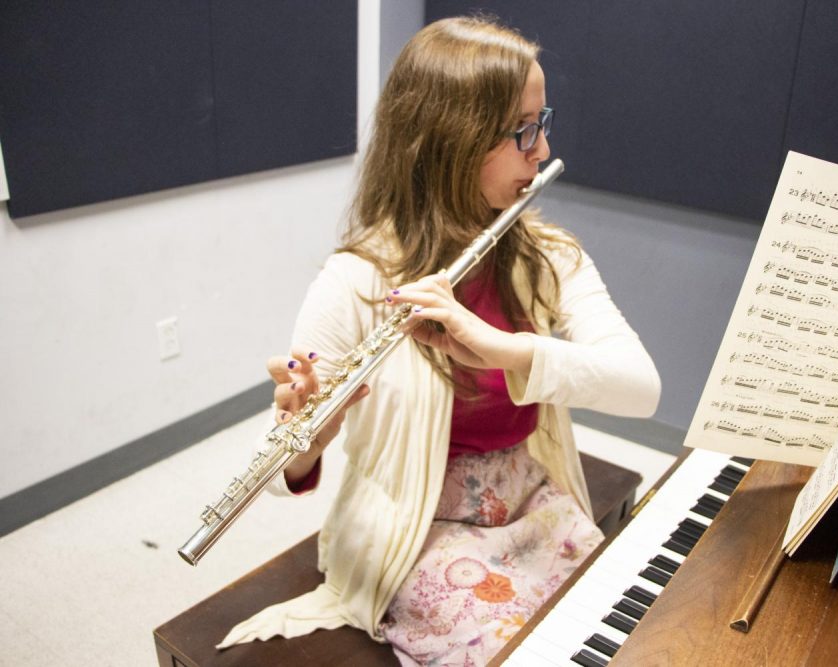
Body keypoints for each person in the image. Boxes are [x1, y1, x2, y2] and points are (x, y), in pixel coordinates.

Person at [218, 16, 661, 666]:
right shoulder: (359, 280)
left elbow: (641, 388)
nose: (541, 150)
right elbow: (275, 476)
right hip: (415, 529)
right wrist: (308, 437)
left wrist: (503, 349)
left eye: (544, 122)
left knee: (625, 622)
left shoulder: (545, 255)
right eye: (523, 130)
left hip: (529, 498)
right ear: (452, 142)